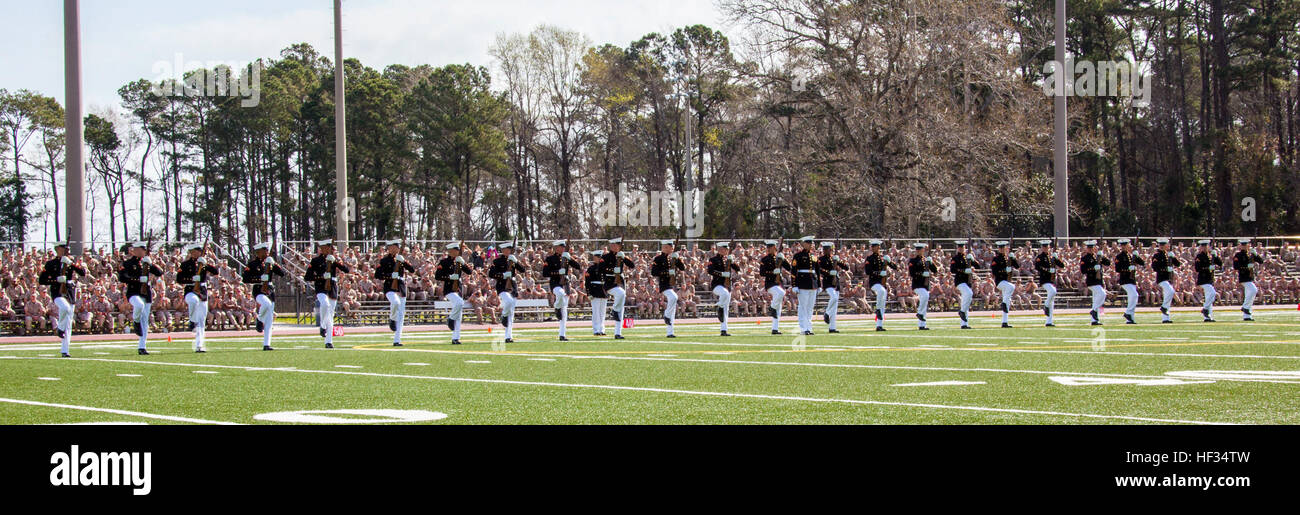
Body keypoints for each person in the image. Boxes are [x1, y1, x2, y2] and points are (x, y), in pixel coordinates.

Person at [37, 242, 86, 357]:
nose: (66, 250)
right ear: (58, 249)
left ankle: (65, 350)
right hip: (57, 291)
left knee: (68, 323)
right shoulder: (51, 263)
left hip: (69, 291)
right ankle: (60, 327)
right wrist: (56, 280)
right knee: (65, 308)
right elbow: (42, 280)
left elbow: (82, 273)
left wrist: (72, 264)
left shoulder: (70, 262)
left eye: (67, 248)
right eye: (64, 248)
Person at [117, 242, 164, 355]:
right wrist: (137, 280)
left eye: (143, 250)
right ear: (135, 250)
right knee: (139, 306)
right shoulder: (128, 263)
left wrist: (151, 263)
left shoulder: (146, 262)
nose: (142, 251)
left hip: (146, 293)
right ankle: (135, 321)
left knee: (145, 320)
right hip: (133, 291)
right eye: (140, 249)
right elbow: (122, 277)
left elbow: (159, 272)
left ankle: (142, 346)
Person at [304, 240, 350, 348]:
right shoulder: (315, 260)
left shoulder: (333, 260)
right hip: (321, 286)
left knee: (330, 314)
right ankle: (323, 325)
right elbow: (308, 277)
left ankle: (328, 341)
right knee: (325, 304)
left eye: (330, 248)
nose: (329, 250)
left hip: (332, 287)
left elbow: (346, 270)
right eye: (326, 247)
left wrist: (337, 262)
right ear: (322, 248)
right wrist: (320, 277)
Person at [241, 243, 286, 350]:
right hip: (259, 290)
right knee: (266, 303)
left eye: (267, 250)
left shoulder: (269, 262)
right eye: (264, 250)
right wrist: (260, 278)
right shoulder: (252, 264)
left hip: (270, 291)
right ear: (258, 252)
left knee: (269, 320)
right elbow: (245, 279)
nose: (266, 252)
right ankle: (260, 319)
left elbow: (282, 273)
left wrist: (274, 264)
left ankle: (267, 344)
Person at [176, 242, 219, 352]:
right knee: (193, 301)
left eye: (199, 251)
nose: (197, 253)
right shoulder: (185, 264)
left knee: (201, 320)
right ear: (191, 253)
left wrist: (206, 264)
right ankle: (191, 320)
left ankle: (199, 345)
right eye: (195, 251)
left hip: (202, 291)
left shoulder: (203, 263)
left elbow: (216, 272)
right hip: (190, 289)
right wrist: (191, 279)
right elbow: (179, 279)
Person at [374, 240, 416, 346]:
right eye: (392, 247)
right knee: (395, 303)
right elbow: (378, 275)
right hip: (389, 286)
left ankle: (397, 340)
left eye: (396, 247)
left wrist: (404, 262)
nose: (394, 249)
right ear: (389, 248)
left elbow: (412, 270)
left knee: (401, 315)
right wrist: (389, 276)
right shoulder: (384, 260)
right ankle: (392, 318)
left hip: (400, 286)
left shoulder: (401, 259)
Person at [434, 242, 473, 345]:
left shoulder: (459, 261)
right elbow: (437, 276)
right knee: (460, 303)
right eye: (456, 250)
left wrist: (463, 263)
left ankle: (456, 338)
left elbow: (469, 272)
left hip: (458, 289)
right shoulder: (444, 262)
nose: (457, 252)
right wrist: (450, 277)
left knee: (459, 314)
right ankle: (450, 319)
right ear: (450, 251)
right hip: (449, 288)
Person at [488, 242, 528, 343]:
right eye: (508, 249)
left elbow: (523, 270)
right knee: (509, 303)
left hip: (513, 287)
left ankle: (508, 336)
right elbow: (491, 274)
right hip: (502, 286)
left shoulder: (513, 260)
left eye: (511, 249)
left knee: (512, 313)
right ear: (503, 250)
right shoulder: (497, 261)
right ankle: (504, 315)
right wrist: (503, 275)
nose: (510, 251)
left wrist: (516, 262)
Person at [650, 240, 687, 338]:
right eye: (664, 247)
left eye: (668, 247)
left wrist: (678, 259)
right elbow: (653, 272)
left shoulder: (674, 257)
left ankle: (670, 331)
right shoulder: (658, 259)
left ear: (672, 248)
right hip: (664, 283)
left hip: (673, 284)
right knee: (674, 297)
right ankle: (666, 314)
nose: (665, 249)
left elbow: (682, 268)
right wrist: (666, 272)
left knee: (673, 305)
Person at [601, 238, 636, 340]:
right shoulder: (606, 256)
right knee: (620, 295)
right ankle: (614, 310)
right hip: (609, 283)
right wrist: (611, 271)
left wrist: (624, 258)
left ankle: (618, 333)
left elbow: (632, 265)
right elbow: (600, 269)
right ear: (611, 246)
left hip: (620, 282)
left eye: (617, 245)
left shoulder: (622, 256)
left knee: (621, 308)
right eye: (613, 245)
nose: (615, 247)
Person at [758, 240, 794, 335]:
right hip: (770, 283)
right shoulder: (765, 259)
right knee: (781, 294)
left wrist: (784, 259)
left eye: (770, 247)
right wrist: (772, 272)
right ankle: (771, 307)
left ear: (775, 248)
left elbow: (789, 268)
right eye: (768, 248)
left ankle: (775, 328)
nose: (769, 249)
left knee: (778, 307)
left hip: (779, 283)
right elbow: (762, 273)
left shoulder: (779, 258)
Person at [542, 240, 575, 341]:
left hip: (565, 283)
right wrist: (557, 272)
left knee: (564, 310)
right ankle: (556, 307)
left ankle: (562, 334)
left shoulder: (566, 257)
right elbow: (545, 273)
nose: (563, 249)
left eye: (564, 247)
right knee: (560, 294)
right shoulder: (550, 259)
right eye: (562, 247)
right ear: (557, 248)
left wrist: (570, 259)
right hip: (555, 283)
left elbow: (578, 266)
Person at [707, 242, 741, 336]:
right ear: (718, 250)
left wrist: (732, 261)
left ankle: (724, 330)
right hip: (717, 285)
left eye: (725, 250)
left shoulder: (728, 259)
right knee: (724, 294)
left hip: (727, 285)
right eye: (722, 249)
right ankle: (719, 306)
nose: (724, 251)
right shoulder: (713, 259)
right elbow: (710, 270)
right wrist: (721, 274)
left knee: (726, 309)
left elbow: (738, 269)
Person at [863, 240, 898, 331]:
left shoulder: (883, 258)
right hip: (874, 282)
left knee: (883, 302)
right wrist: (879, 273)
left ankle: (879, 325)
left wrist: (889, 260)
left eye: (878, 247)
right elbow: (868, 271)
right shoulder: (869, 258)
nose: (877, 248)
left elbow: (895, 267)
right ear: (872, 248)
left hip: (882, 283)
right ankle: (877, 309)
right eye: (875, 247)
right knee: (882, 292)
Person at [818, 241, 849, 333]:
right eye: (825, 249)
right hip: (828, 282)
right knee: (834, 297)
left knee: (835, 307)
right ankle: (827, 313)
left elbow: (846, 267)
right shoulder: (821, 259)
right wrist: (828, 272)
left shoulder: (834, 258)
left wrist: (840, 260)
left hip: (836, 282)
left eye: (828, 249)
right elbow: (819, 269)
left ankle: (832, 327)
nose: (826, 251)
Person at [1033, 240, 1066, 327]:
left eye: (1047, 247)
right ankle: (1046, 305)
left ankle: (1049, 321)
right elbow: (1037, 267)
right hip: (1044, 279)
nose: (1045, 248)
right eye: (1044, 247)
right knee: (1053, 291)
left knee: (1052, 301)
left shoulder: (1052, 257)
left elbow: (1062, 266)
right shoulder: (1040, 257)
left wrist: (1057, 258)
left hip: (1052, 280)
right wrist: (1047, 270)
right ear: (1042, 248)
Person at [1114, 238, 1146, 324]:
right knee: (1134, 295)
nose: (1126, 246)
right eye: (1124, 245)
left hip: (1131, 279)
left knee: (1133, 297)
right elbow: (1117, 269)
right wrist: (1127, 269)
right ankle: (1128, 312)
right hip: (1124, 279)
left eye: (1127, 245)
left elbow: (1143, 263)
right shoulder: (1119, 256)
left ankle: (1130, 317)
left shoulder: (1131, 255)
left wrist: (1137, 256)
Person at [907, 243, 938, 330]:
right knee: (925, 296)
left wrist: (932, 263)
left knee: (925, 302)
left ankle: (922, 325)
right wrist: (921, 274)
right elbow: (912, 273)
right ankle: (919, 313)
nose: (918, 251)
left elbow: (935, 271)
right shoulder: (913, 261)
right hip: (917, 284)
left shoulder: (926, 260)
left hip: (925, 284)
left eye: (920, 250)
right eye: (917, 250)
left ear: (923, 250)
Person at [791, 237, 818, 335]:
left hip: (812, 284)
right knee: (803, 307)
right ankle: (803, 328)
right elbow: (794, 271)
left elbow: (817, 271)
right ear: (804, 244)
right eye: (809, 243)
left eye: (811, 243)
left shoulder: (813, 256)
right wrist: (794, 284)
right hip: (802, 283)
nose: (811, 245)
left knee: (810, 307)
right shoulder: (798, 256)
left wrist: (818, 285)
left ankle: (809, 327)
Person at [1233, 238, 1265, 321]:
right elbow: (1236, 267)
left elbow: (1261, 261)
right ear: (1241, 246)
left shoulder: (1251, 254)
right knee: (1253, 290)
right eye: (1243, 245)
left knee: (1249, 294)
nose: (1245, 246)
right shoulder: (1238, 255)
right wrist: (1246, 267)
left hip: (1250, 276)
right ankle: (1245, 307)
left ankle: (1247, 316)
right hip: (1244, 276)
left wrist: (1256, 254)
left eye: (1246, 245)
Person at [1080, 240, 1110, 326]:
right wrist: (1093, 268)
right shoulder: (1085, 258)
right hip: (1091, 280)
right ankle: (1094, 310)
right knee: (1102, 294)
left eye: (1092, 247)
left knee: (1096, 299)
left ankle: (1094, 319)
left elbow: (1108, 263)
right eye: (1089, 248)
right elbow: (1083, 270)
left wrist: (1102, 255)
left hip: (1098, 281)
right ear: (1086, 248)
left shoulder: (1098, 256)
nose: (1091, 249)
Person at [1150, 238, 1181, 323]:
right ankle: (1164, 307)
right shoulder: (1157, 255)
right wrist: (1165, 268)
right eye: (1165, 245)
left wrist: (1173, 257)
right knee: (1171, 292)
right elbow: (1155, 267)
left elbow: (1178, 264)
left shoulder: (1169, 254)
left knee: (1168, 295)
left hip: (1169, 278)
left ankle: (1165, 318)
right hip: (1161, 278)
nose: (1167, 246)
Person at [990, 241, 1019, 328]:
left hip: (1007, 282)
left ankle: (1004, 322)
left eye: (1004, 248)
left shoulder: (1008, 258)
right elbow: (994, 271)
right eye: (1001, 248)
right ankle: (1004, 303)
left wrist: (1013, 258)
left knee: (1007, 301)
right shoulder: (996, 259)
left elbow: (1017, 266)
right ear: (999, 249)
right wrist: (1004, 270)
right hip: (1000, 281)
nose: (1002, 249)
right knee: (1011, 286)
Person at [949, 240, 977, 329]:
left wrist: (973, 259)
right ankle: (962, 311)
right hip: (960, 281)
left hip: (968, 281)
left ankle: (964, 324)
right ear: (958, 248)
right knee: (969, 293)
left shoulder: (968, 257)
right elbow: (952, 270)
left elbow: (978, 266)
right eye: (960, 248)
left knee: (966, 299)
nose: (961, 249)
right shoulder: (955, 258)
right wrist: (964, 270)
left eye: (963, 247)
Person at [1194, 240, 1222, 322]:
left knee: (1209, 297)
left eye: (1206, 246)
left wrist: (1216, 256)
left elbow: (1220, 263)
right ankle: (1205, 309)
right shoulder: (1199, 256)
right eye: (1203, 246)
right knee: (1212, 293)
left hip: (1209, 279)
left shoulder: (1211, 255)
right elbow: (1197, 268)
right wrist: (1207, 268)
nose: (1205, 248)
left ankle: (1208, 317)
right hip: (1203, 279)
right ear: (1201, 247)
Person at [584, 250, 608, 336]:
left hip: (603, 290)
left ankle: (602, 329)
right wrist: (589, 293)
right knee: (596, 312)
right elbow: (587, 282)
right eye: (598, 258)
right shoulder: (591, 269)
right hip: (595, 291)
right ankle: (596, 329)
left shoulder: (605, 267)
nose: (599, 259)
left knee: (602, 312)